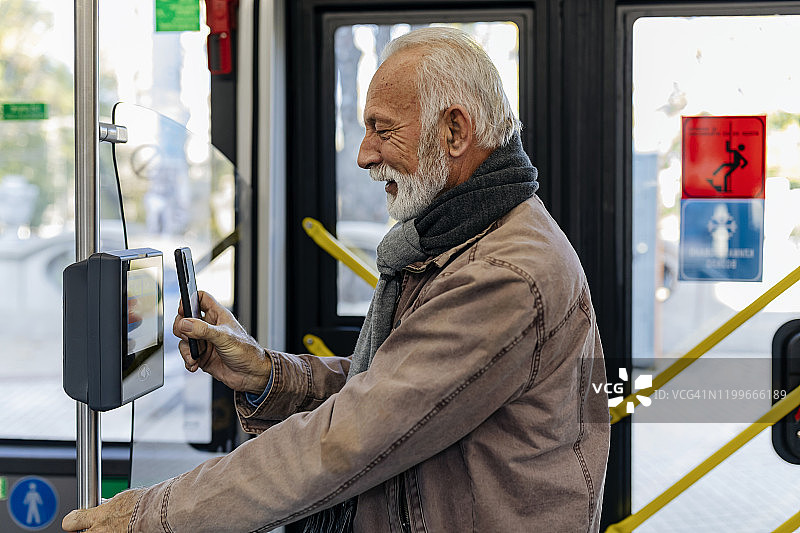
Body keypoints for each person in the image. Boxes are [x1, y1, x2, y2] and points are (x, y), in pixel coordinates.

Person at [63, 27, 609, 532]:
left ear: (455, 131)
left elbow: (351, 437)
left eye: (382, 130)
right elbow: (396, 386)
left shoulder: (502, 274)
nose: (365, 155)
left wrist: (148, 516)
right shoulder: (465, 237)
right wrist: (268, 375)